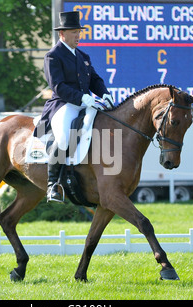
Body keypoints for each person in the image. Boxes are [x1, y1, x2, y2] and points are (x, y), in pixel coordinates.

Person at [40, 11, 114, 202]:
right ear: (62, 34)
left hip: (85, 104)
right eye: (74, 32)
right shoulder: (53, 56)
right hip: (63, 105)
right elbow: (58, 86)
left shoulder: (83, 56)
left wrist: (103, 93)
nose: (78, 36)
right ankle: (52, 185)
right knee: (64, 138)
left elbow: (95, 79)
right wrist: (82, 98)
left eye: (79, 32)